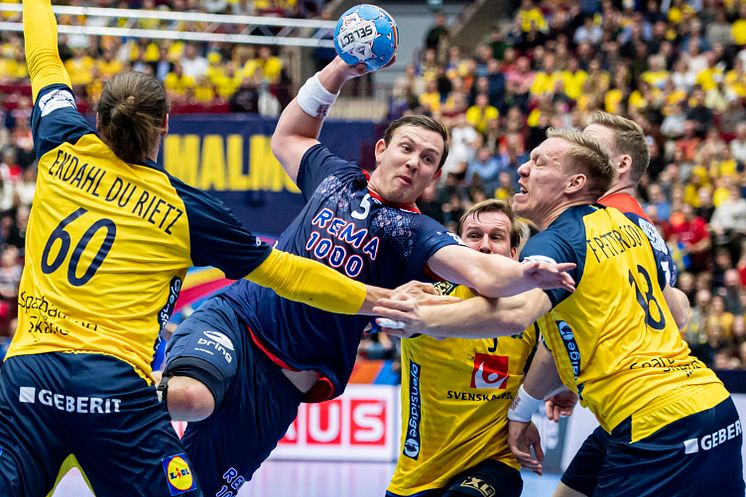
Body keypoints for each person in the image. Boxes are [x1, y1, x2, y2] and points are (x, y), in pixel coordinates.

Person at [0, 1, 396, 495]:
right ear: (166, 123)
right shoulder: (187, 212)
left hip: (27, 378)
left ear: (97, 117)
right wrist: (375, 299)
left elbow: (42, 57)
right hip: (114, 392)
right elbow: (289, 274)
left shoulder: (60, 143)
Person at [159, 56, 575, 496]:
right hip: (236, 322)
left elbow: (482, 271)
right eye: (407, 148)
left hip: (280, 384)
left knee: (193, 491)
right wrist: (340, 67)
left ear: (434, 177)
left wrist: (527, 271)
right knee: (190, 397)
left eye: (428, 159)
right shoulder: (335, 177)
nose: (414, 162)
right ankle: (105, 410)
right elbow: (289, 136)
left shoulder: (417, 233)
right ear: (382, 150)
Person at [375, 128, 744, 497]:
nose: (522, 169)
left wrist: (418, 317)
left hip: (653, 425)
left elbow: (517, 312)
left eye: (539, 163)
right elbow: (676, 309)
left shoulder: (556, 240)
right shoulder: (629, 227)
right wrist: (545, 395)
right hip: (712, 404)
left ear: (574, 183)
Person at [548, 111, 692, 497]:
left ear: (622, 164)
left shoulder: (602, 220)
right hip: (637, 400)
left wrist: (527, 402)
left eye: (590, 143)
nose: (578, 148)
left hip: (645, 408)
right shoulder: (641, 223)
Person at [387, 199, 553, 497]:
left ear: (514, 253)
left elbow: (554, 359)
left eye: (497, 237)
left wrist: (531, 409)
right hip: (419, 476)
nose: (485, 247)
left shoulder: (533, 311)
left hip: (494, 463)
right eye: (474, 236)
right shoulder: (428, 296)